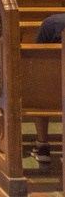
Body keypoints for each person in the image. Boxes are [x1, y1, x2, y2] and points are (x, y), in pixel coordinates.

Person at [30, 12, 65, 162]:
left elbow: (36, 60)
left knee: (39, 83)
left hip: (53, 92)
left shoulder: (52, 23)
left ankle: (42, 145)